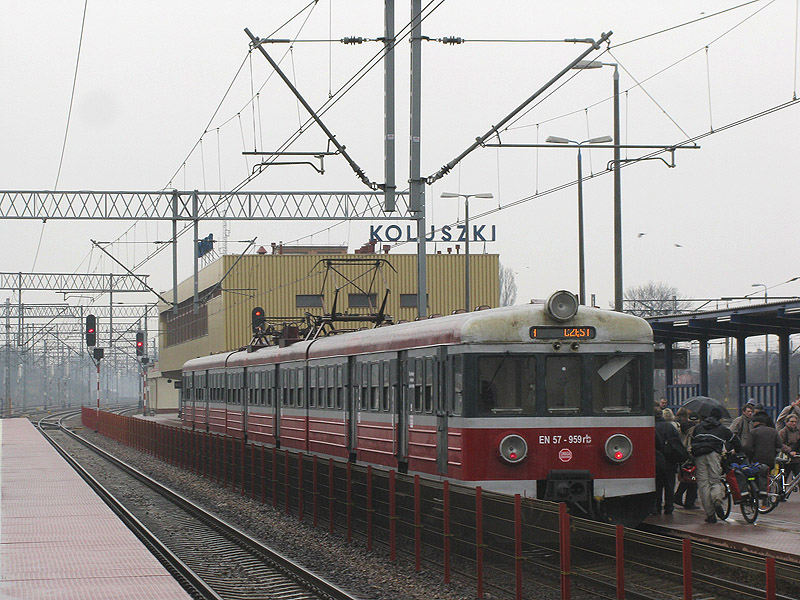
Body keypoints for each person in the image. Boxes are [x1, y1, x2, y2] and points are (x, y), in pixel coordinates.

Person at [691, 406, 742, 523]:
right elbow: (735, 441)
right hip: (713, 454)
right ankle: (717, 499)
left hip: (699, 455)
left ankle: (710, 514)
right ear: (719, 418)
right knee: (714, 480)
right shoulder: (722, 429)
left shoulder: (698, 427)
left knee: (703, 484)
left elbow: (692, 441)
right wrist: (738, 451)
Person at [743, 412, 788, 498]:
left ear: (756, 422)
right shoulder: (773, 431)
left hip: (756, 460)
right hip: (770, 460)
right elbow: (779, 445)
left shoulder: (753, 432)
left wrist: (747, 455)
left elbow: (748, 447)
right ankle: (766, 496)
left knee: (753, 475)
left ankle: (755, 495)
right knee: (766, 475)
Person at [654, 406, 682, 515]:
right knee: (670, 485)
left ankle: (657, 506)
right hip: (670, 461)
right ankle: (669, 507)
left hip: (656, 461)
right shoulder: (670, 427)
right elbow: (678, 443)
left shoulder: (651, 426)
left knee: (657, 485)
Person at [674, 407, 698, 509]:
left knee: (686, 478)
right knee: (692, 478)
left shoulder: (681, 427)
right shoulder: (694, 429)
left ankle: (678, 496)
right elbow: (691, 443)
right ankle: (689, 502)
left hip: (681, 453)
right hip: (690, 455)